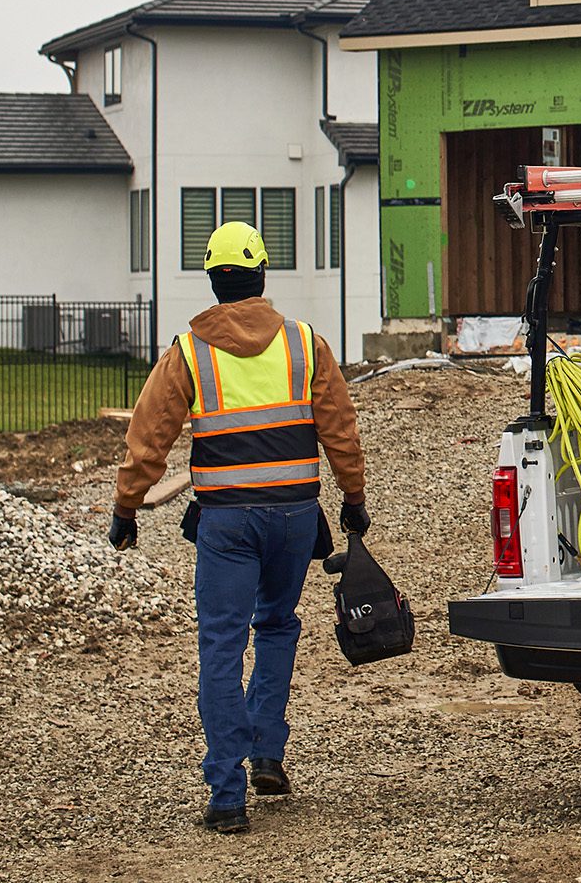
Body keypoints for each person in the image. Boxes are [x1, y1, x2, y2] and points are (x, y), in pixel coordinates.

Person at [108, 221, 371, 834]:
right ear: (261, 276)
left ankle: (227, 796)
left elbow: (149, 439)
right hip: (295, 517)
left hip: (225, 523)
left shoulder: (189, 351)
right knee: (277, 625)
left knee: (222, 646)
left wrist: (126, 508)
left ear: (212, 279)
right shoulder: (305, 343)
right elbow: (340, 429)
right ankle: (268, 752)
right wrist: (353, 498)